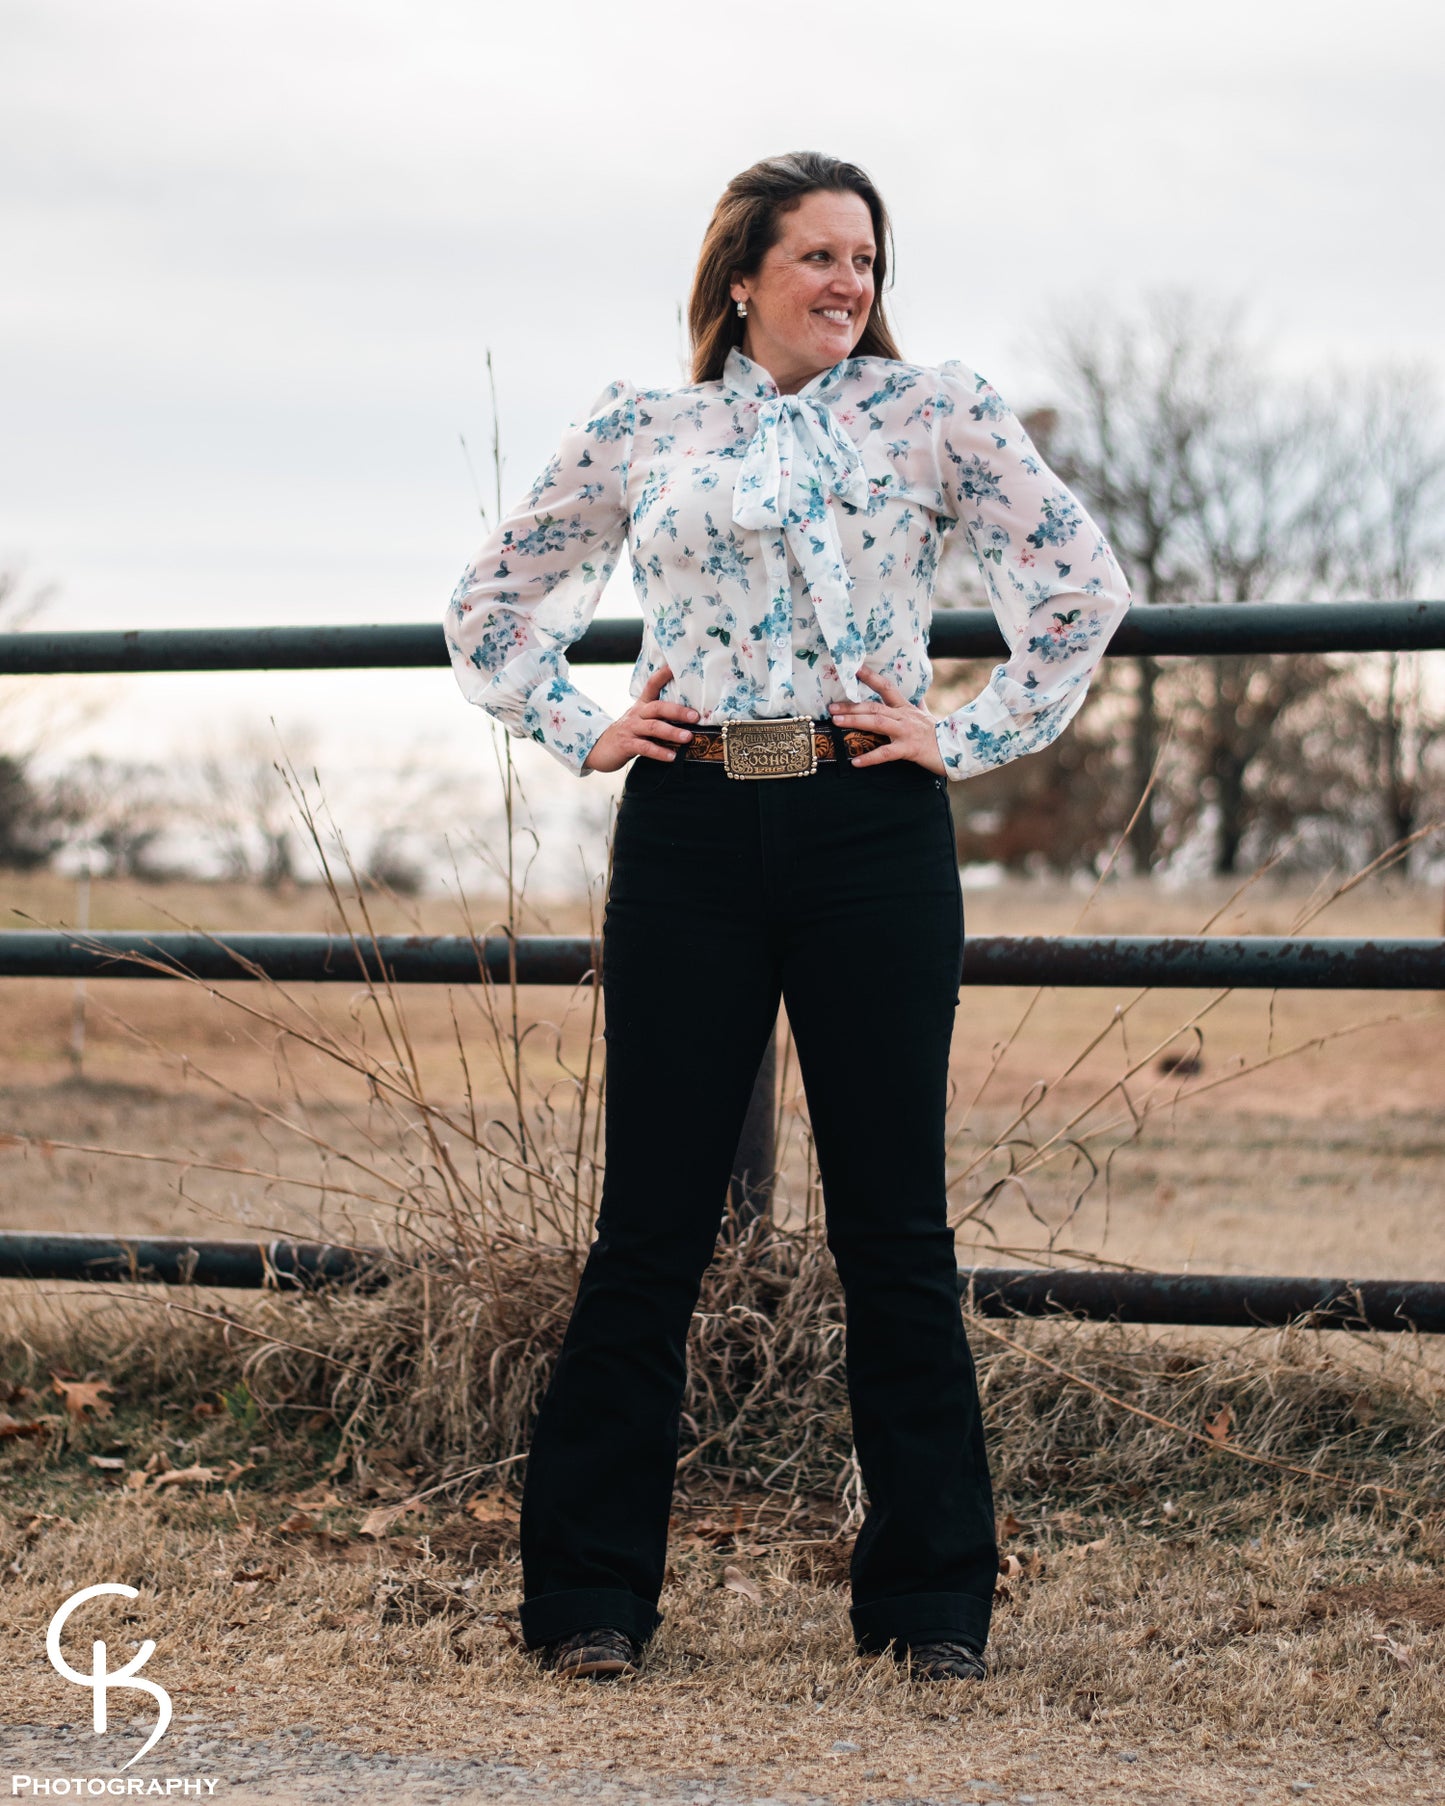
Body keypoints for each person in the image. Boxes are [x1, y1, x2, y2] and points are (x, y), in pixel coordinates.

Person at [444, 150, 1132, 1685]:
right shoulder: (647, 426)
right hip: (690, 827)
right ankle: (587, 1602)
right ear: (739, 275)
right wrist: (576, 722)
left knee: (894, 1228)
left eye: (866, 262)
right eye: (816, 257)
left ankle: (931, 1605)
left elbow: (1077, 586)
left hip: (867, 825)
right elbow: (493, 600)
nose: (846, 285)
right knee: (650, 1230)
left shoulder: (932, 409)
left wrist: (965, 727)